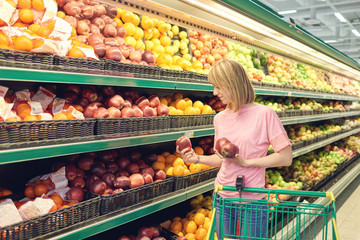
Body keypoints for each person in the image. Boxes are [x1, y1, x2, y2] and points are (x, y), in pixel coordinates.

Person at [178, 59, 292, 239]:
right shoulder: (220, 118)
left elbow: (286, 157)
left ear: (232, 83)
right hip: (222, 198)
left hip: (252, 201)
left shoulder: (265, 114)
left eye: (218, 87)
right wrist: (197, 159)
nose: (214, 92)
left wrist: (247, 162)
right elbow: (222, 159)